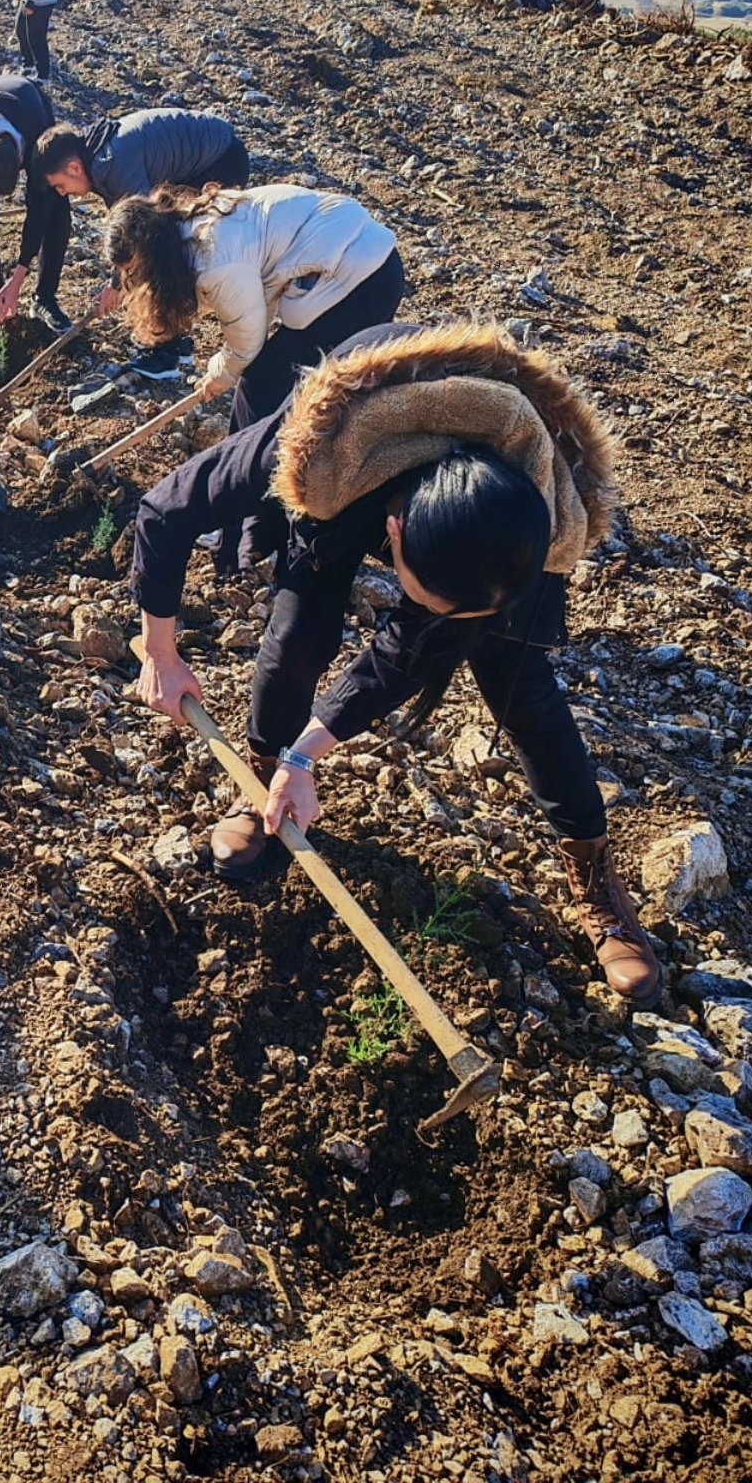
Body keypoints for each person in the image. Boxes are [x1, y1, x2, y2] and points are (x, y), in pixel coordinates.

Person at [132, 321, 660, 1004]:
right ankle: (260, 776)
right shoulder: (320, 446)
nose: (430, 619)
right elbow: (165, 511)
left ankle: (592, 870)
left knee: (522, 685)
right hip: (362, 455)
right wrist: (161, 652)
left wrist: (308, 756)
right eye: (427, 600)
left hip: (490, 510)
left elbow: (409, 649)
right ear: (395, 532)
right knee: (298, 632)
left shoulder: (541, 514)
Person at [103, 184, 403, 427]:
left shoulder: (215, 260)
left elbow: (247, 343)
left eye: (135, 272)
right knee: (331, 385)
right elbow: (258, 299)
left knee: (260, 387)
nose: (137, 281)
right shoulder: (193, 224)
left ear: (152, 256)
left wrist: (221, 374)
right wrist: (222, 370)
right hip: (371, 260)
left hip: (359, 280)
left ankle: (244, 474)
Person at [35, 109, 249, 378]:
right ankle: (176, 340)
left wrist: (117, 286)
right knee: (162, 246)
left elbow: (143, 231)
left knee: (163, 250)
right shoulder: (97, 154)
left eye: (60, 185)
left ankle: (167, 353)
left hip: (221, 161)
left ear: (74, 168)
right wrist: (118, 282)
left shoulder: (111, 164)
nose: (63, 193)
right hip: (207, 158)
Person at [0, 75, 71, 333]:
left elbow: (38, 207)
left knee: (56, 204)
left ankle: (44, 299)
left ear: (21, 163)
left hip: (29, 102)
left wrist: (19, 277)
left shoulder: (37, 136)